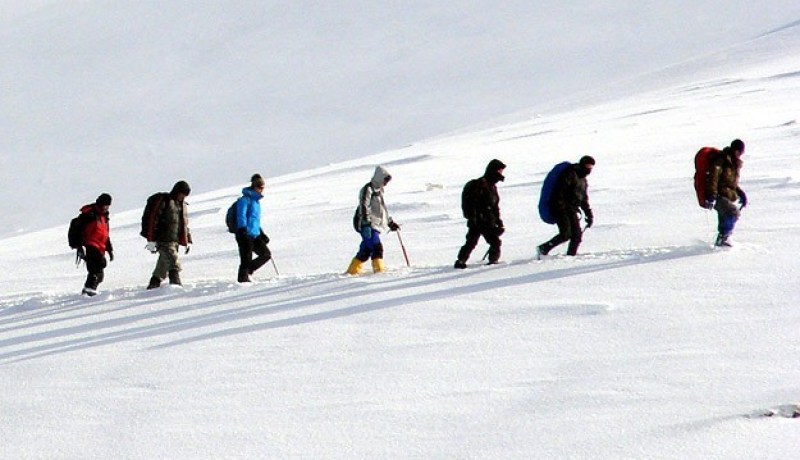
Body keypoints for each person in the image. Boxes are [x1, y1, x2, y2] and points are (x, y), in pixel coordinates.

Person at [345, 165, 400, 275]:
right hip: (368, 225)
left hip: (375, 225)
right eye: (385, 180)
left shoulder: (380, 191)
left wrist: (390, 222)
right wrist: (366, 224)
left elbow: (382, 210)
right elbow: (363, 206)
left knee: (365, 251)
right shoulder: (368, 189)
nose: (386, 183)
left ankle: (351, 272)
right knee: (376, 248)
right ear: (379, 178)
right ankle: (379, 272)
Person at [537, 156, 595, 257]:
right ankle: (543, 248)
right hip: (560, 208)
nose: (589, 170)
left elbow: (583, 199)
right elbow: (559, 191)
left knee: (577, 235)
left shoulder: (583, 180)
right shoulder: (570, 173)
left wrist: (589, 214)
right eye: (587, 166)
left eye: (591, 167)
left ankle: (571, 256)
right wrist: (560, 206)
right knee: (566, 234)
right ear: (582, 164)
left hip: (571, 209)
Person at [454, 159, 506, 268]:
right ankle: (492, 263)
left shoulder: (492, 187)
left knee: (472, 242)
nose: (501, 173)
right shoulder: (480, 184)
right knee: (493, 242)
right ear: (493, 170)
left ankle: (461, 261)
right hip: (480, 220)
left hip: (486, 220)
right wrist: (473, 217)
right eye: (499, 170)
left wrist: (499, 222)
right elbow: (472, 202)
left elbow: (495, 207)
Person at [143, 180, 192, 289]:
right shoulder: (165, 201)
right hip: (163, 240)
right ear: (176, 191)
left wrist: (188, 240)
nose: (183, 197)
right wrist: (151, 240)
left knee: (162, 267)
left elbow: (184, 225)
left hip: (174, 241)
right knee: (173, 263)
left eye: (185, 195)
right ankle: (176, 287)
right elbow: (153, 220)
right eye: (182, 194)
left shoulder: (181, 206)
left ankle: (153, 286)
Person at [69, 193, 114, 296]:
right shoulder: (89, 215)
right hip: (90, 244)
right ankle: (89, 290)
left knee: (100, 275)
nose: (106, 207)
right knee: (97, 266)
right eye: (104, 205)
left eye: (108, 205)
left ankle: (88, 290)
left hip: (100, 246)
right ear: (99, 204)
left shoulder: (104, 217)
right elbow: (78, 230)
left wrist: (109, 249)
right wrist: (79, 246)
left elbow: (105, 234)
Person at [705, 139, 747, 247]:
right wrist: (712, 195)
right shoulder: (722, 160)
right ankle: (724, 238)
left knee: (725, 218)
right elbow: (713, 177)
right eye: (740, 152)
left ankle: (721, 242)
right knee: (733, 213)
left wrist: (740, 193)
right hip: (718, 195)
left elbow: (730, 183)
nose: (741, 155)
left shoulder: (733, 163)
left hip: (727, 196)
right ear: (736, 151)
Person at [234, 174, 272, 282]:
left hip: (255, 234)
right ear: (254, 187)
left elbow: (255, 220)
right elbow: (241, 215)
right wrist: (242, 230)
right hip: (244, 234)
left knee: (266, 254)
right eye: (260, 187)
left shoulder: (256, 202)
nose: (261, 190)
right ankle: (243, 279)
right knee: (246, 259)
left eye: (262, 187)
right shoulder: (245, 200)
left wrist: (262, 233)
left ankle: (248, 272)